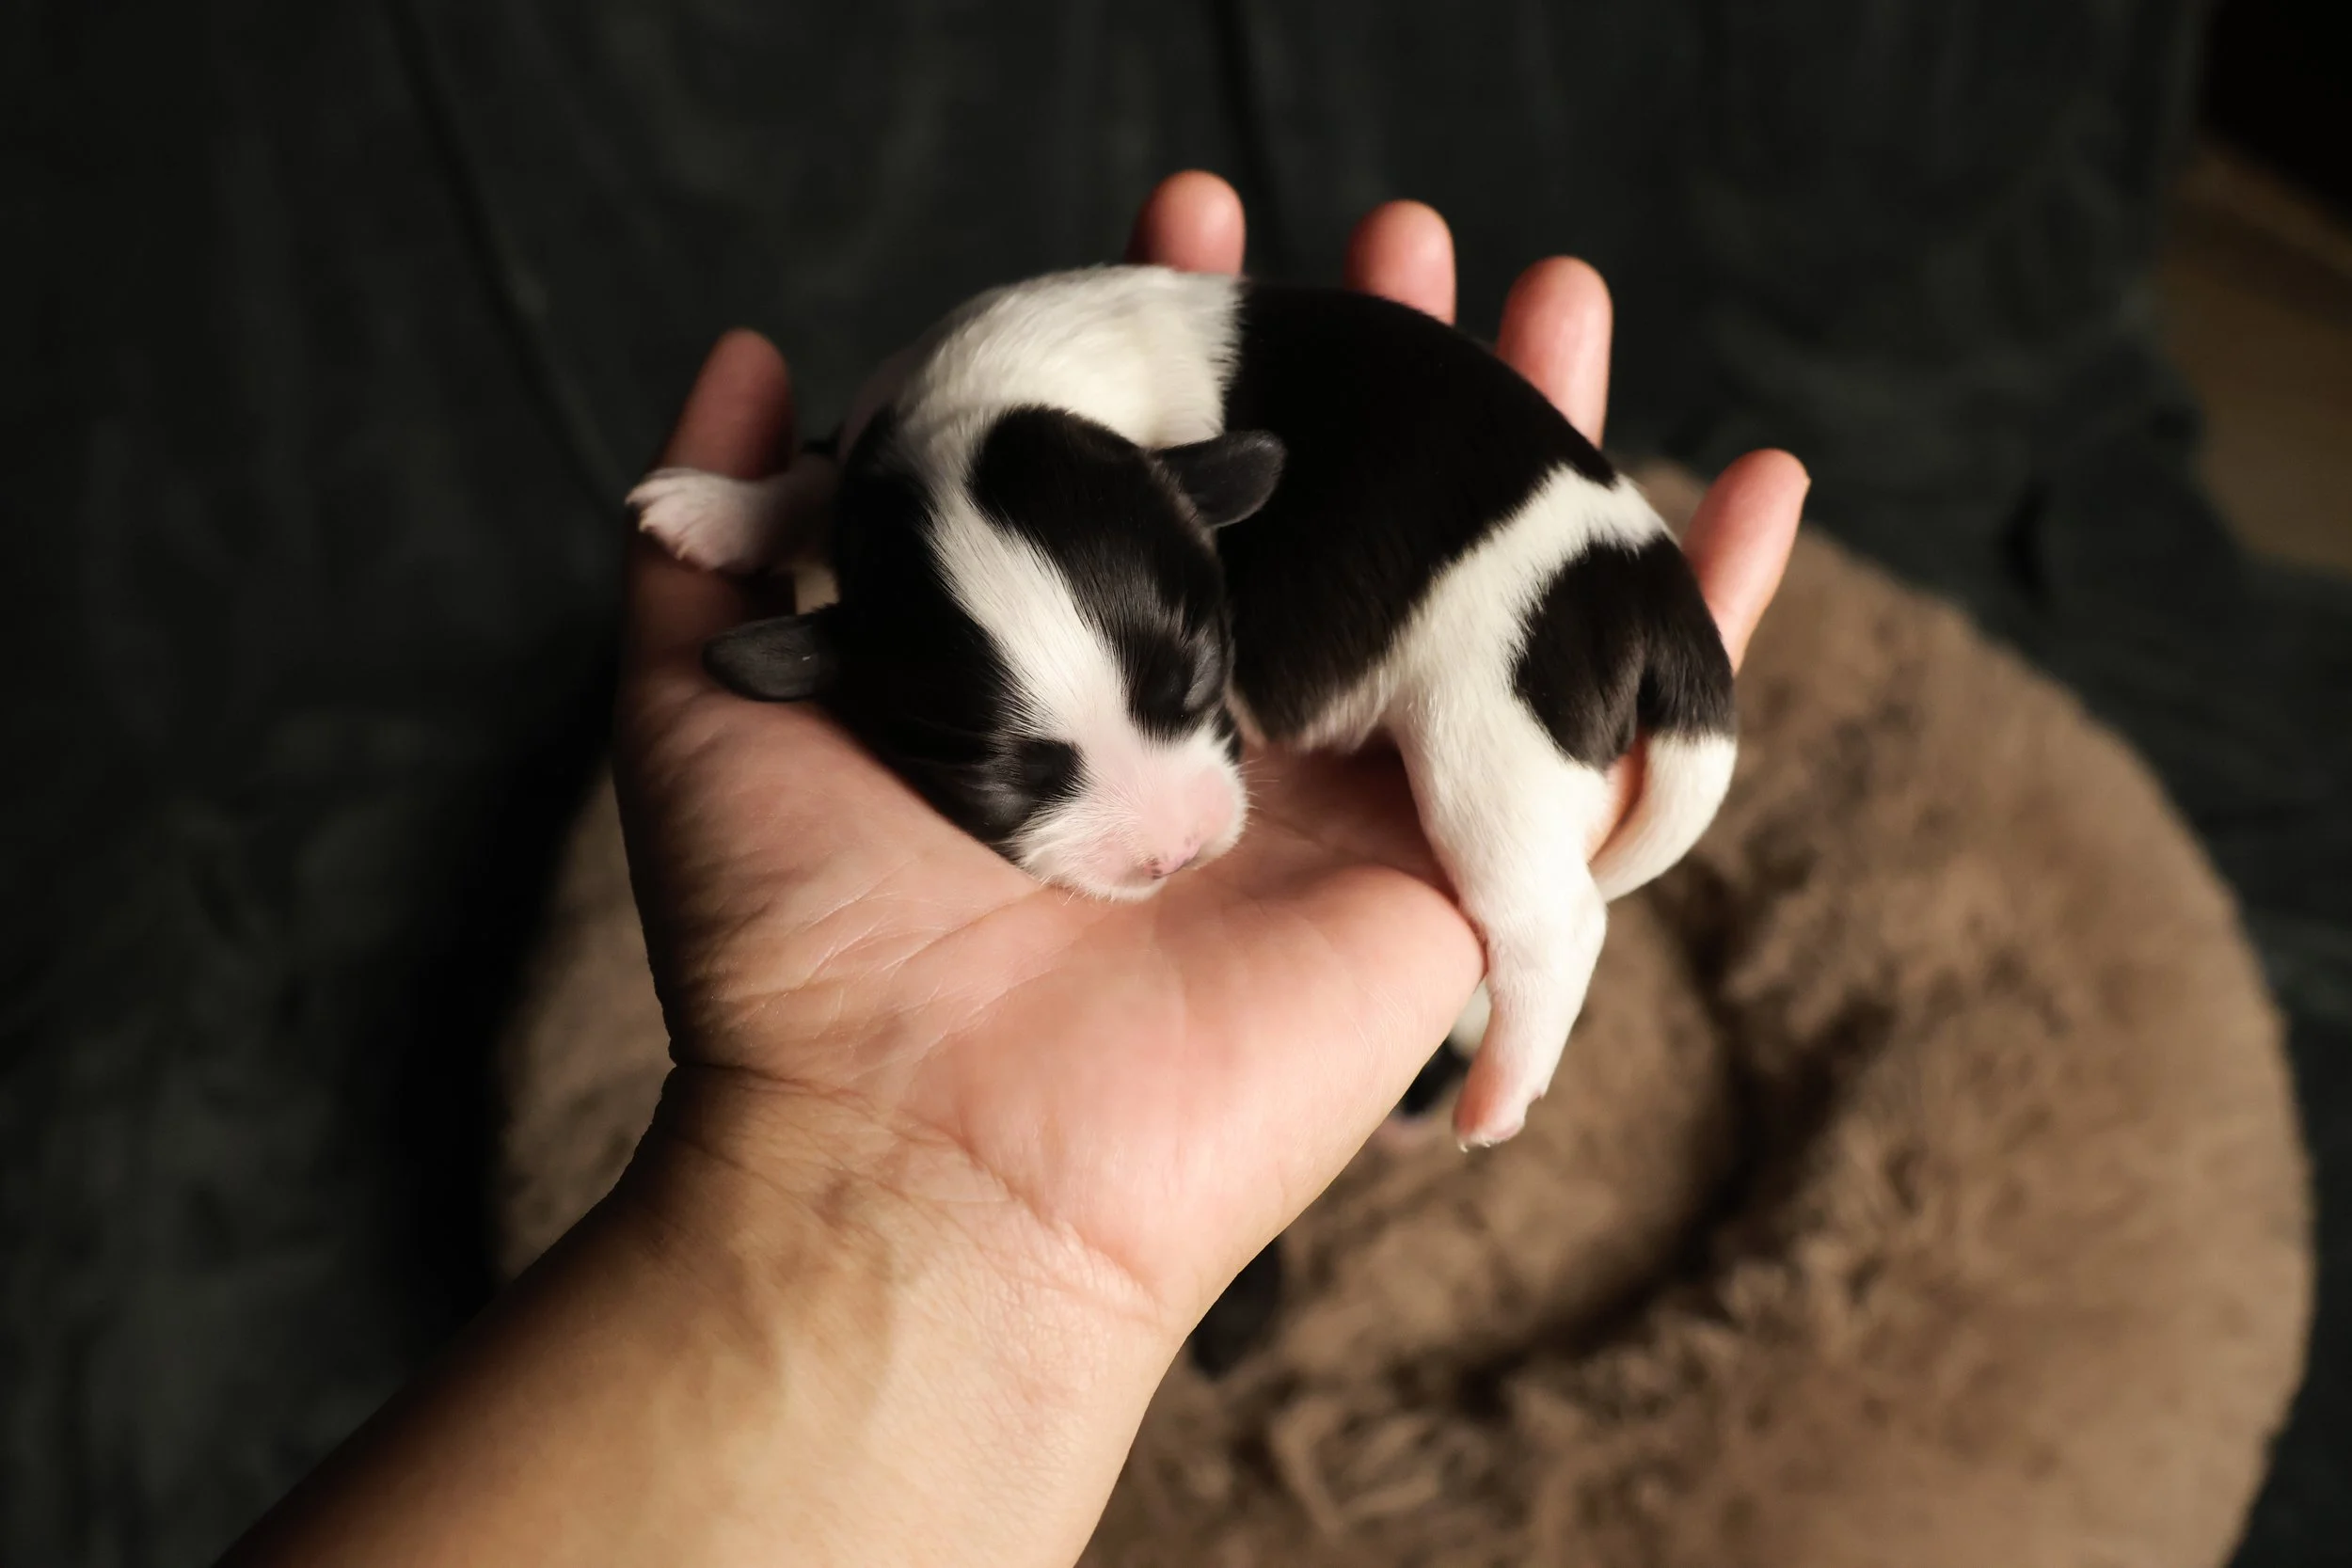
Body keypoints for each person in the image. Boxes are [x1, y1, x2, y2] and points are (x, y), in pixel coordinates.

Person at [222, 171, 1804, 1568]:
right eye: (1026, 773)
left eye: (1189, 699)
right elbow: (893, 486)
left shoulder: (1107, 390)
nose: (1172, 829)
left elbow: (921, 502)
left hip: (1519, 581)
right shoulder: (957, 410)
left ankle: (1538, 970)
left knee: (1501, 819)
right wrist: (791, 506)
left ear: (1196, 503)